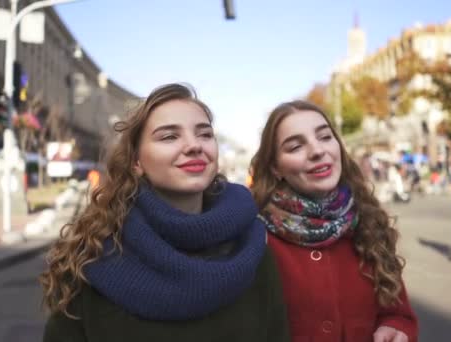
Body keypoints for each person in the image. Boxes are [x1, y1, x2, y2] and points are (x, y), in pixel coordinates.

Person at [40, 83, 290, 342]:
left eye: (205, 134)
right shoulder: (93, 253)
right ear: (136, 162)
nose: (194, 146)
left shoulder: (253, 244)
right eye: (169, 137)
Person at [250, 100, 418, 341]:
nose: (318, 151)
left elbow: (398, 313)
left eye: (325, 137)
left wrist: (396, 328)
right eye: (296, 146)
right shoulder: (254, 236)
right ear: (276, 167)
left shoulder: (369, 221)